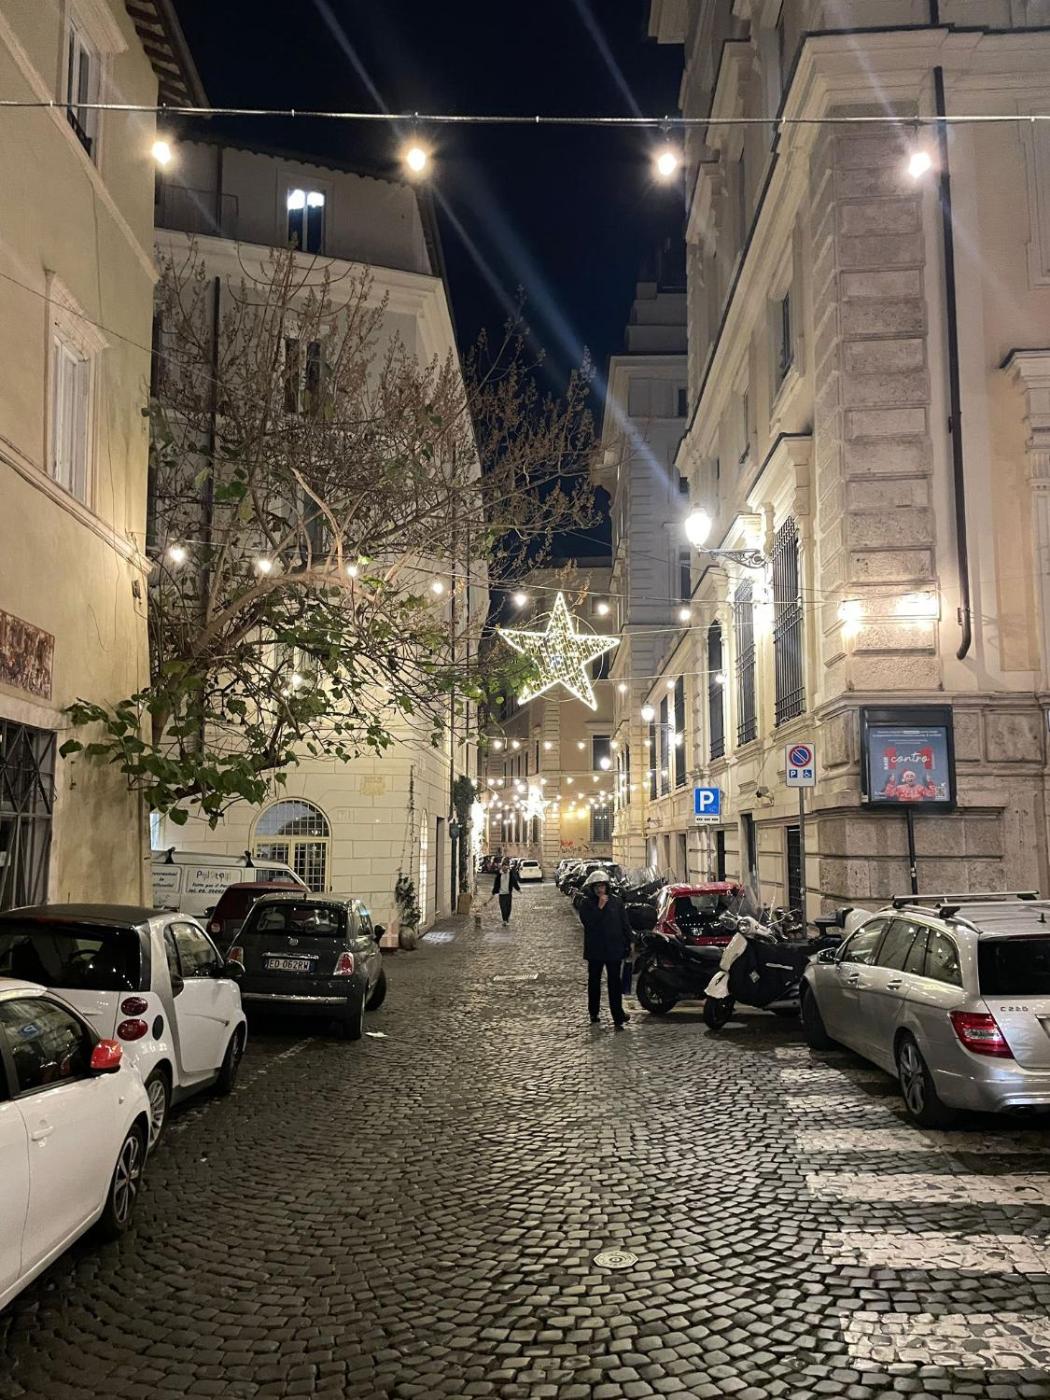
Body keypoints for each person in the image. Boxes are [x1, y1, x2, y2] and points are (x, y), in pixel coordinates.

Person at [576, 868, 632, 1027]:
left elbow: (624, 923)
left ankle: (618, 1015)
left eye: (602, 886)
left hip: (614, 948)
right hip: (595, 950)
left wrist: (630, 940)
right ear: (592, 888)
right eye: (597, 886)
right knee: (594, 982)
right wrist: (599, 908)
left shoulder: (616, 902)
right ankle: (593, 1012)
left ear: (607, 886)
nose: (600, 889)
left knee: (615, 983)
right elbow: (588, 923)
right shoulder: (586, 903)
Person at [489, 858, 521, 926]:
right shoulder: (499, 875)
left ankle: (507, 919)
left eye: (506, 867)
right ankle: (504, 920)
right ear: (502, 867)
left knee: (508, 908)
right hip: (502, 894)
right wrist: (493, 893)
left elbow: (514, 882)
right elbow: (496, 885)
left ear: (507, 867)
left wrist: (518, 889)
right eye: (504, 867)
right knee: (503, 908)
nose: (505, 869)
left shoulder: (510, 873)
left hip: (508, 894)